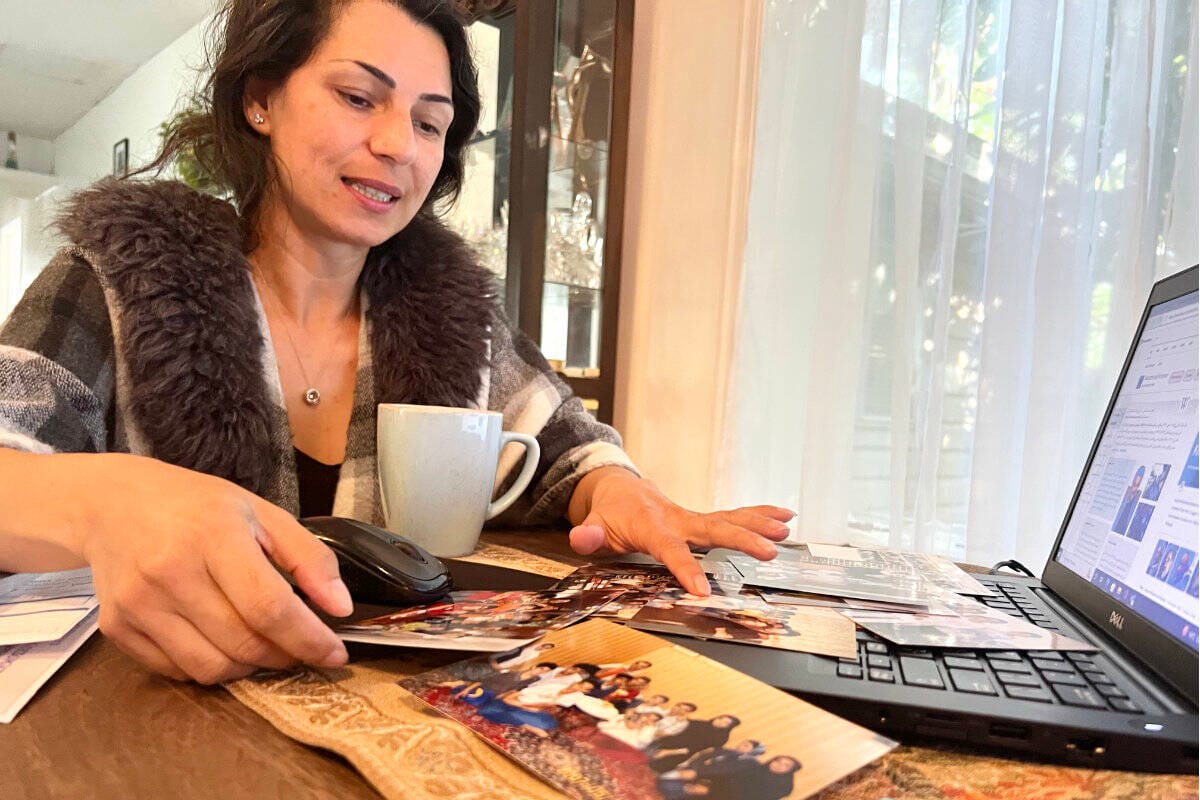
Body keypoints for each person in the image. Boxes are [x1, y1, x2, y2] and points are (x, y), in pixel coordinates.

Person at [0, 0, 793, 685]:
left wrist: (618, 492)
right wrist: (109, 504)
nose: (399, 146)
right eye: (357, 97)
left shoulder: (450, 313)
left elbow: (569, 450)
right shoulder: (124, 274)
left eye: (428, 123)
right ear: (261, 99)